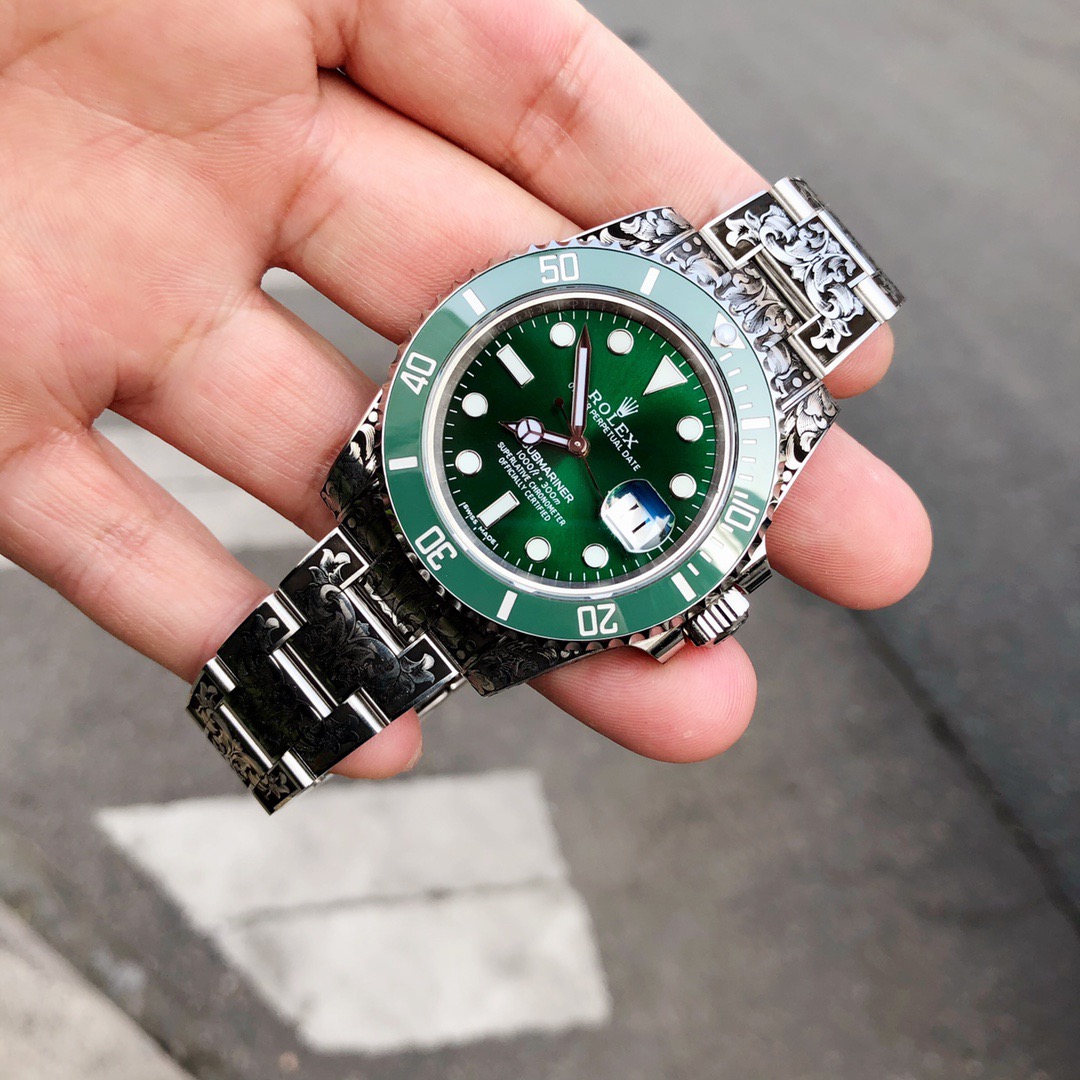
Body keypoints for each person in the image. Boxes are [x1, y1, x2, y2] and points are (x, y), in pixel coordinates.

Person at [0, 0, 931, 780]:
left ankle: (269, 726)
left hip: (489, 530)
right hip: (461, 499)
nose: (582, 444)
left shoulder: (734, 434)